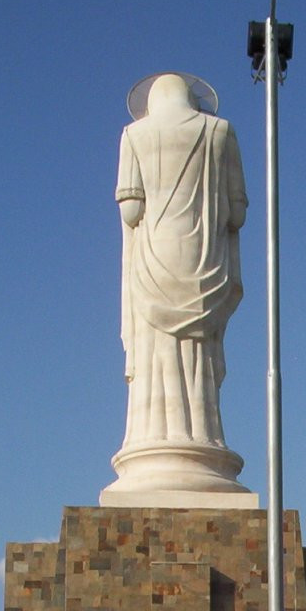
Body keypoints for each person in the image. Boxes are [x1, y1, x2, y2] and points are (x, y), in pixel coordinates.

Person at [114, 72, 247, 454]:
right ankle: (202, 439)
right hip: (204, 262)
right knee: (199, 356)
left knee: (156, 353)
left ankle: (155, 439)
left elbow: (131, 211)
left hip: (154, 261)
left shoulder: (133, 136)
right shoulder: (221, 133)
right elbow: (237, 215)